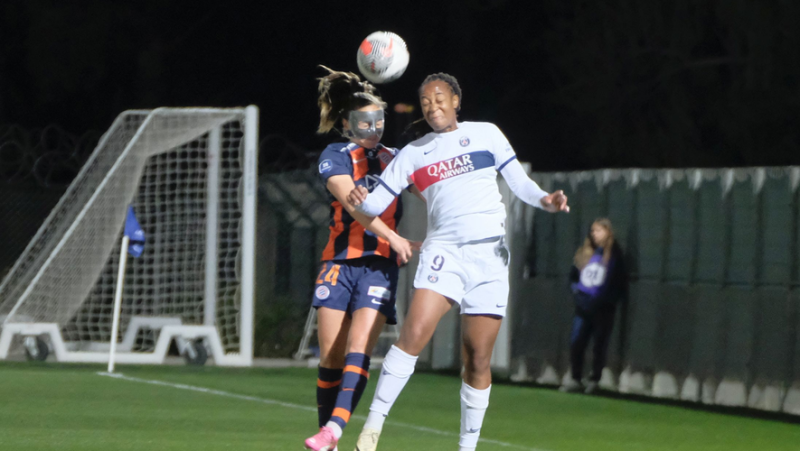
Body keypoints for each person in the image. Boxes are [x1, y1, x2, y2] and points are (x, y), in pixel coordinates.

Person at [348, 73, 570, 451]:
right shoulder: (413, 153)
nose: (433, 107)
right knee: (413, 336)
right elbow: (374, 205)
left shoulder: (487, 134)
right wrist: (359, 197)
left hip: (490, 257)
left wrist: (546, 200)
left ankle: (467, 448)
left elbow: (520, 184)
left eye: (439, 99)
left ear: (456, 100)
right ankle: (371, 430)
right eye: (425, 102)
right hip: (445, 253)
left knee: (478, 358)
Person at [303, 66, 421, 451]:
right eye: (365, 121)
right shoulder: (335, 153)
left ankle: (332, 430)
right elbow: (354, 207)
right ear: (348, 123)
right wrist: (393, 235)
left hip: (379, 265)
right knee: (331, 356)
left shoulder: (397, 157)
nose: (374, 127)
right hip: (339, 262)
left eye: (379, 120)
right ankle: (329, 437)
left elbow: (429, 186)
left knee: (359, 349)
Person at [560, 218, 628, 395]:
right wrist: (576, 293)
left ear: (608, 232)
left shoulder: (615, 255)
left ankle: (594, 379)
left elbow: (619, 282)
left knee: (599, 345)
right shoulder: (584, 253)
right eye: (592, 231)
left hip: (603, 309)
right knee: (577, 342)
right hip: (582, 308)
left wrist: (607, 300)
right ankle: (575, 378)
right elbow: (573, 277)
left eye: (598, 231)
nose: (594, 235)